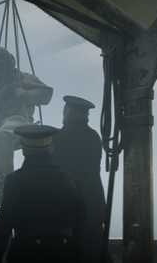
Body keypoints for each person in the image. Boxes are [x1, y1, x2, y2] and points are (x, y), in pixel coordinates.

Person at [0, 124, 86, 263]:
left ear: (24, 150)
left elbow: (3, 226)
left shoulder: (16, 179)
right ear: (50, 148)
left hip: (28, 252)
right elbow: (81, 217)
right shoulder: (70, 179)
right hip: (66, 252)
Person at [0, 46, 53, 206]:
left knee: (1, 136)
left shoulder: (22, 78)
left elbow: (47, 93)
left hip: (18, 119)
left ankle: (5, 185)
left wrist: (27, 95)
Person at [51, 95, 113, 263]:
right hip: (92, 206)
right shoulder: (94, 137)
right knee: (96, 252)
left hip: (66, 206)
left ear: (68, 112)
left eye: (64, 111)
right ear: (86, 115)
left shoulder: (56, 137)